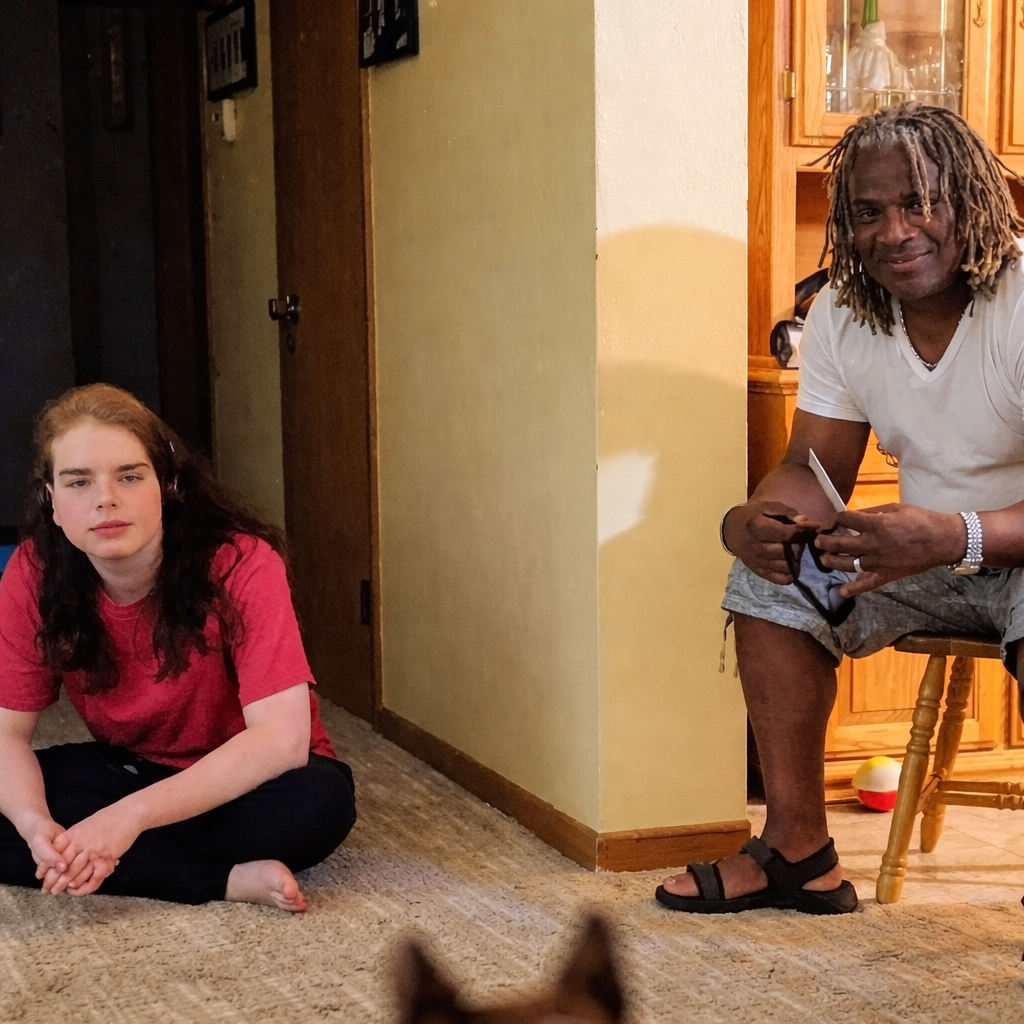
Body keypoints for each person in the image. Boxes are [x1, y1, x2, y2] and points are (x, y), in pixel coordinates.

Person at [656, 102, 1024, 914]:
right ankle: (797, 850)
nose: (895, 231)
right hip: (926, 554)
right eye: (869, 212)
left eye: (920, 202)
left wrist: (954, 534)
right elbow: (812, 468)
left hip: (1005, 548)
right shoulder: (843, 315)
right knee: (777, 580)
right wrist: (756, 523)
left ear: (971, 200)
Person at [0, 384, 356, 910]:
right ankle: (222, 880)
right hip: (129, 768)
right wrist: (35, 827)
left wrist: (126, 818)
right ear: (51, 500)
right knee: (15, 804)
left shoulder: (242, 562)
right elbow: (6, 734)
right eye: (78, 482)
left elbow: (281, 741)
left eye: (129, 476)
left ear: (167, 484)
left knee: (317, 806)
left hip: (249, 780)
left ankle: (131, 852)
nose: (105, 499)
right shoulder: (34, 571)